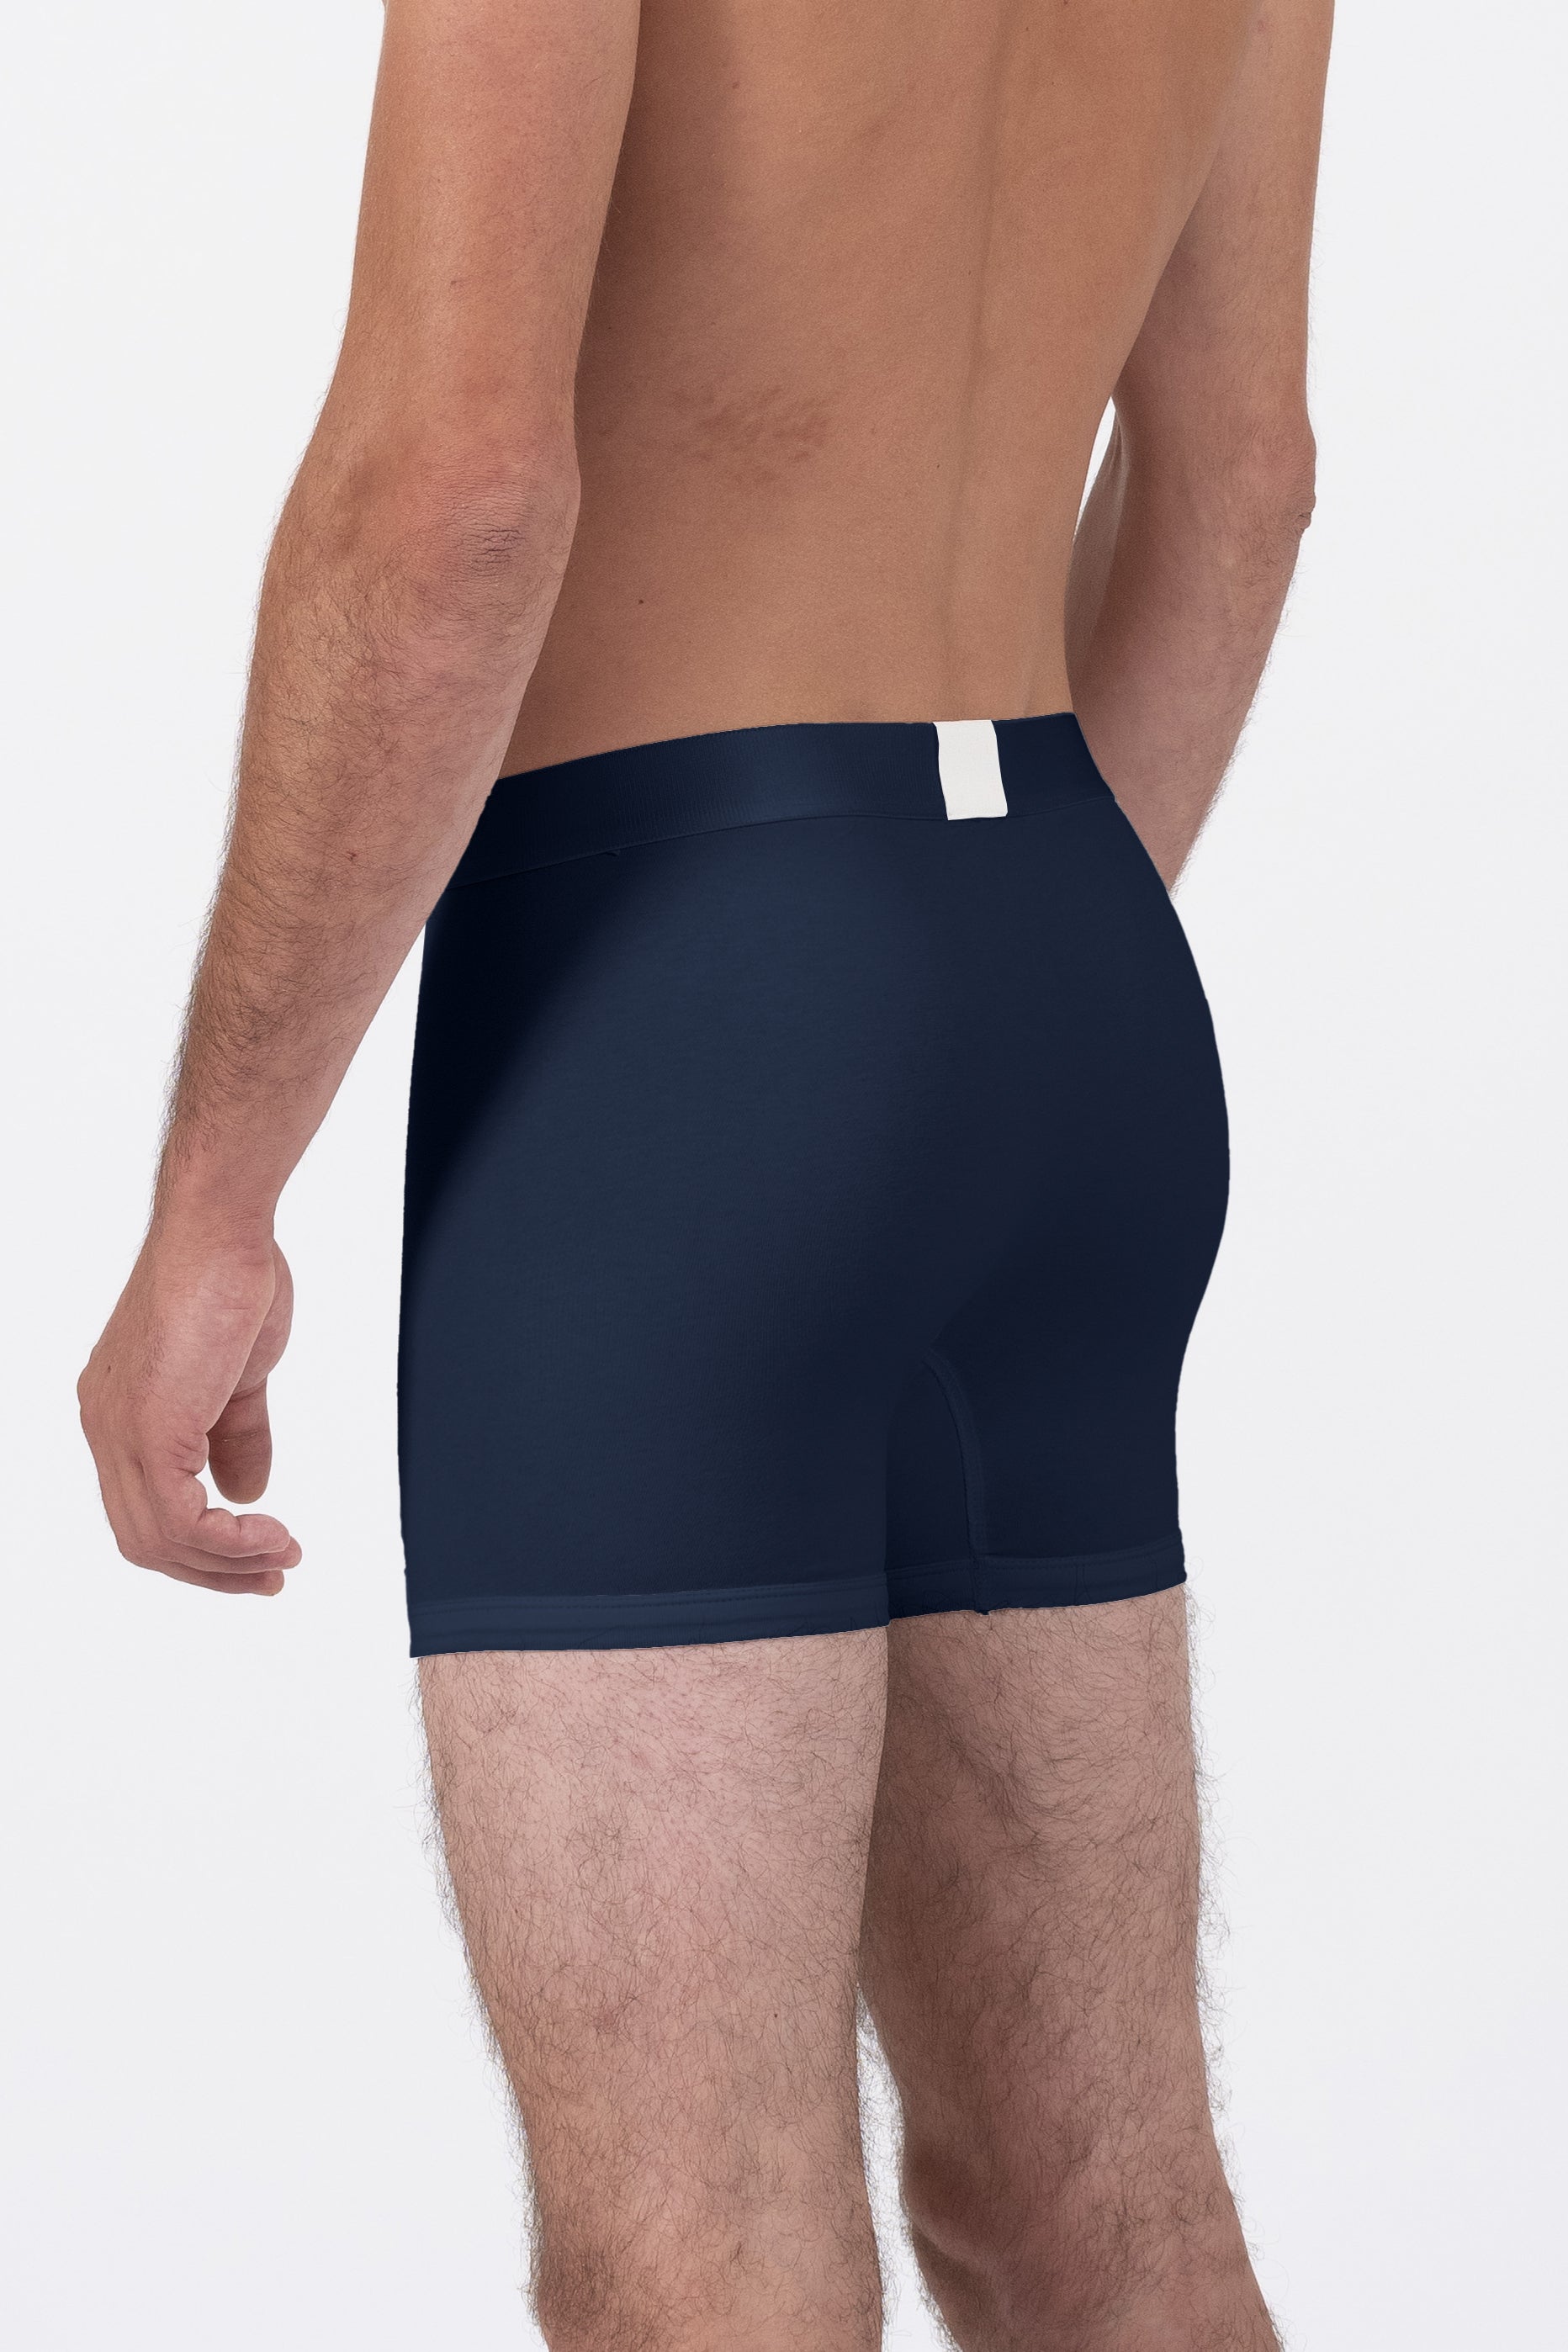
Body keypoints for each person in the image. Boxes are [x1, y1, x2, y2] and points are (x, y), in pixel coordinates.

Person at [79, 0, 1332, 2342]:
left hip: (684, 1006)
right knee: (1097, 2214)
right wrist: (960, 1007)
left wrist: (218, 1192)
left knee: (693, 2267)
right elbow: (1243, 475)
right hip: (1065, 963)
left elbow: (456, 497)